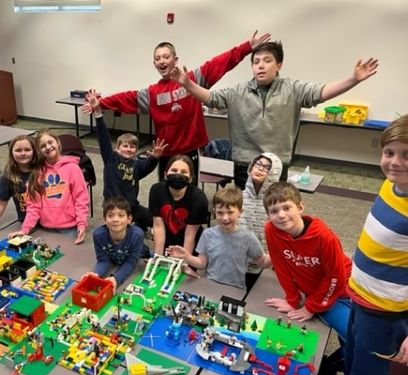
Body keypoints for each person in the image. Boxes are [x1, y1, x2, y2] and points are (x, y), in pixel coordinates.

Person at [312, 115, 408, 375]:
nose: (395, 162)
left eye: (406, 155)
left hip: (385, 311)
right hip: (361, 296)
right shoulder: (391, 185)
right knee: (354, 361)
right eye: (389, 153)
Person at [170, 41, 379, 187]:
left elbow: (321, 92)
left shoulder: (293, 89)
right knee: (246, 211)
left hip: (277, 164)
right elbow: (211, 98)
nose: (260, 65)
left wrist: (353, 79)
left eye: (267, 60)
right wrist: (188, 84)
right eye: (256, 61)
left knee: (274, 212)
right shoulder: (238, 91)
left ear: (278, 65)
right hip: (245, 164)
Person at [81, 31, 271, 181]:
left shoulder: (193, 80)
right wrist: (102, 103)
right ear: (154, 63)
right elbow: (126, 98)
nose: (162, 61)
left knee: (189, 190)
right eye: (158, 58)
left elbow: (220, 63)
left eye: (166, 56)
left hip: (190, 151)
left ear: (175, 59)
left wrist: (247, 48)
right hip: (166, 154)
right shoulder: (152, 93)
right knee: (165, 193)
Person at [263, 181, 352, 375]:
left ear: (300, 207)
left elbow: (336, 277)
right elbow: (280, 265)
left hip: (343, 290)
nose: (281, 215)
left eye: (287, 207)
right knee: (354, 338)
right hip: (321, 292)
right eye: (274, 211)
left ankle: (330, 367)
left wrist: (311, 307)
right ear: (268, 215)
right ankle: (342, 372)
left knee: (361, 341)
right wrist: (293, 300)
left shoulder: (324, 236)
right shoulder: (271, 230)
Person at [86, 88, 166, 230]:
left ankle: (139, 224)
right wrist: (98, 113)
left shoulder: (137, 164)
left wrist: (155, 157)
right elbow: (103, 137)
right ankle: (133, 226)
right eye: (125, 146)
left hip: (131, 206)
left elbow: (148, 166)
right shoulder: (111, 158)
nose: (129, 149)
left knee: (154, 220)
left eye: (132, 147)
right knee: (119, 231)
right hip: (113, 207)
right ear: (118, 148)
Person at [167, 186, 269, 290]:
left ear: (240, 212)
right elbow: (202, 263)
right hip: (211, 285)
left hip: (235, 288)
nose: (225, 218)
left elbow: (264, 262)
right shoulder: (207, 234)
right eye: (220, 213)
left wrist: (280, 250)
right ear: (214, 212)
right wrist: (186, 256)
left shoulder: (248, 237)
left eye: (230, 212)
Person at [13, 129, 89, 244]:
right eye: (43, 146)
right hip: (45, 228)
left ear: (58, 142)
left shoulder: (73, 168)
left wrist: (82, 224)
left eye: (50, 142)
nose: (48, 147)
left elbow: (81, 199)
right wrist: (25, 229)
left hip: (69, 228)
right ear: (39, 150)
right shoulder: (37, 173)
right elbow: (33, 206)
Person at [0, 135, 41, 235]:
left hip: (49, 221)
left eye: (27, 150)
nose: (23, 153)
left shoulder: (42, 169)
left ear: (34, 151)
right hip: (26, 222)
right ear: (11, 153)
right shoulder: (8, 175)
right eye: (18, 150)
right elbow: (1, 202)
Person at [149, 154, 209, 256]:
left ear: (190, 179)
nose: (178, 174)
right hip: (167, 241)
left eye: (184, 172)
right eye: (174, 170)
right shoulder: (156, 190)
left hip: (190, 244)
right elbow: (158, 226)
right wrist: (158, 256)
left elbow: (190, 235)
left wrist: (184, 261)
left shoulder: (199, 199)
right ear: (165, 174)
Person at [238, 152, 282, 289]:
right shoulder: (240, 197)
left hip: (264, 262)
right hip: (238, 259)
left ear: (274, 173)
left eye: (267, 167)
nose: (260, 169)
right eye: (258, 164)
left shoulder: (276, 203)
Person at [88, 197, 146, 289]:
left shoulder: (137, 235)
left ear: (129, 219)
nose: (115, 219)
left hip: (142, 258)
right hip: (115, 261)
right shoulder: (98, 235)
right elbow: (103, 260)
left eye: (121, 215)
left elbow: (131, 262)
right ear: (104, 219)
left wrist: (116, 278)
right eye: (110, 216)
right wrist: (96, 274)